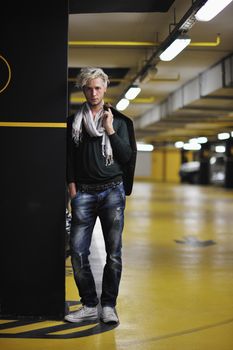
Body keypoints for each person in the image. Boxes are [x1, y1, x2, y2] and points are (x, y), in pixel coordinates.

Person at [65, 67, 136, 324]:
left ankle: (108, 306)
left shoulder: (118, 121)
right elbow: (69, 159)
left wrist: (110, 129)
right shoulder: (74, 123)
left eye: (98, 88)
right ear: (83, 89)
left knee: (113, 253)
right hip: (83, 193)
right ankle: (89, 305)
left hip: (112, 193)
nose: (93, 93)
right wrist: (72, 188)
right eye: (88, 88)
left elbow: (126, 157)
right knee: (78, 252)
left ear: (105, 88)